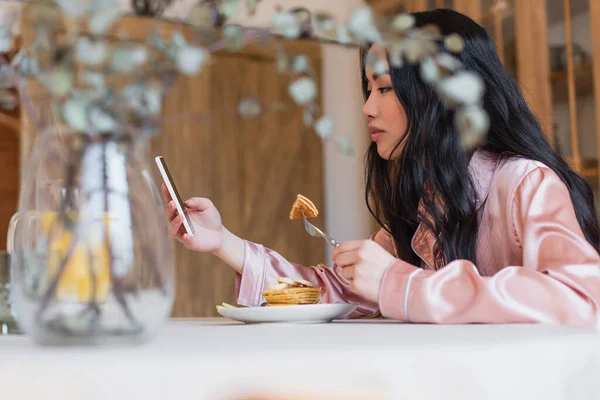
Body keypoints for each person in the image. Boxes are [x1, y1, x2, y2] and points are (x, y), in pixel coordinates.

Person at [163, 9, 600, 328]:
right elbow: (333, 293)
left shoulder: (525, 183)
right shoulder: (425, 201)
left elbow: (581, 296)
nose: (368, 107)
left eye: (385, 89)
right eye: (368, 88)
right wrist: (223, 242)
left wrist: (402, 285)